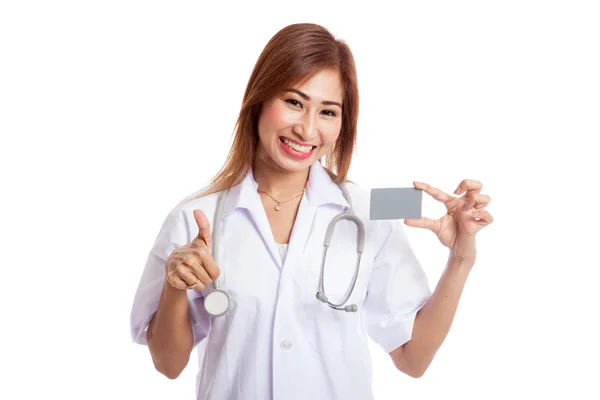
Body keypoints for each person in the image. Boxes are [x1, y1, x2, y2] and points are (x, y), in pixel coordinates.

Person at [130, 23, 493, 400]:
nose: (307, 129)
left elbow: (413, 359)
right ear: (259, 100)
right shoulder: (194, 216)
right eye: (294, 102)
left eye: (328, 112)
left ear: (342, 122)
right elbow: (168, 365)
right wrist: (175, 287)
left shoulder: (369, 210)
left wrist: (461, 257)